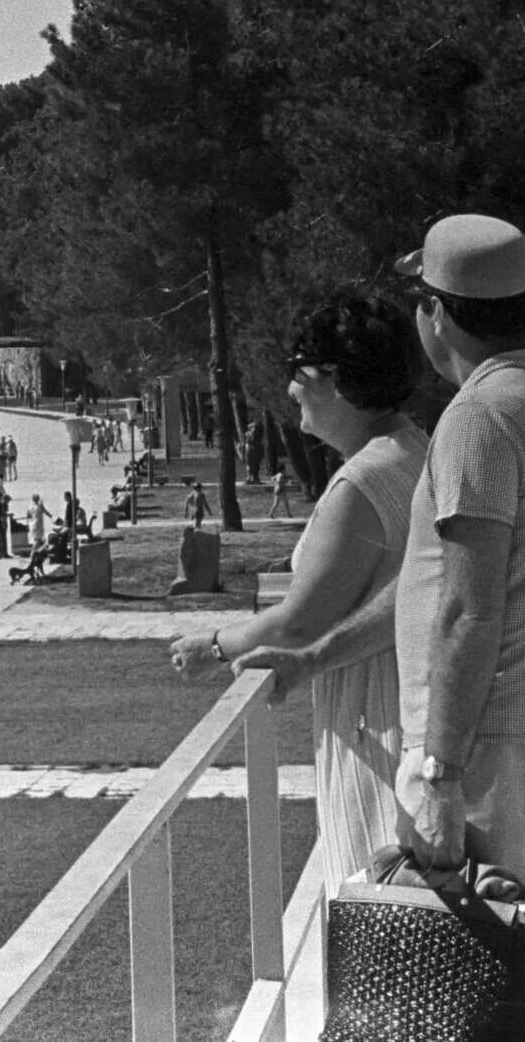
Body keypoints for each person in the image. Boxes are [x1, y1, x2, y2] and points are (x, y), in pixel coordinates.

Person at [302, 214, 525, 1036]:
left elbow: (469, 605)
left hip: (505, 740)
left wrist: (440, 772)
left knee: (487, 984)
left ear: (437, 314)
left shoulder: (480, 418)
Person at [171, 295, 426, 892]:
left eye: (300, 374)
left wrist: (211, 646)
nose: (290, 391)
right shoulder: (416, 450)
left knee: (371, 903)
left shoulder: (360, 484)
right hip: (408, 709)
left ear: (338, 381)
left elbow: (299, 625)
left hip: (374, 725)